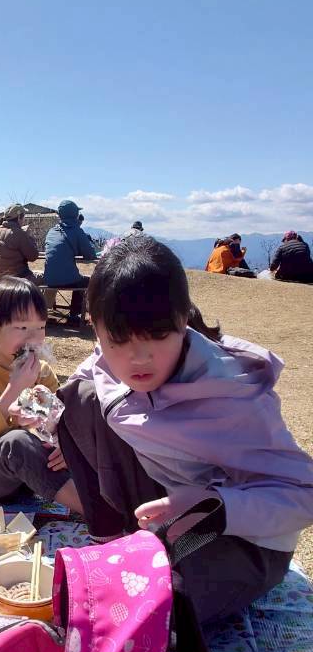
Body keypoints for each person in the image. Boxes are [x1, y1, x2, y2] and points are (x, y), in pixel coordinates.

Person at [57, 236, 313, 625]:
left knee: (150, 603)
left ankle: (160, 568)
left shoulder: (235, 396)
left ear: (182, 320)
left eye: (157, 336)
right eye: (119, 340)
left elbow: (303, 493)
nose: (138, 358)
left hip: (240, 536)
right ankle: (113, 537)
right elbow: (85, 383)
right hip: (172, 504)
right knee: (75, 396)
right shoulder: (107, 363)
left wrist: (215, 504)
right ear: (97, 329)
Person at [0, 276, 81, 512]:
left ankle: (118, 500)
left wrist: (62, 442)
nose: (34, 338)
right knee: (15, 442)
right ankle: (97, 513)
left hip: (26, 474)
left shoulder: (43, 371)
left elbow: (56, 428)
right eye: (22, 327)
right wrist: (15, 388)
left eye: (40, 327)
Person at [42, 199, 98, 326]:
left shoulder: (52, 231)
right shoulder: (77, 230)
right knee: (86, 281)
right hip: (67, 278)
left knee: (74, 277)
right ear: (75, 215)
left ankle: (52, 311)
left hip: (49, 278)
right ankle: (74, 316)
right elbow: (90, 254)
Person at [0, 204, 39, 279]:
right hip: (20, 278)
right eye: (24, 216)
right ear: (19, 217)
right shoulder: (20, 233)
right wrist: (30, 237)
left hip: (1, 277)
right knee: (49, 277)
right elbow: (33, 256)